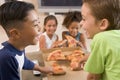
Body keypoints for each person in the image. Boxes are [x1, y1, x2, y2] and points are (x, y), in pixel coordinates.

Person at [0, 1, 53, 80]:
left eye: (38, 22)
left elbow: (23, 60)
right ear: (15, 34)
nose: (40, 28)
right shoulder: (6, 58)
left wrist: (40, 68)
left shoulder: (19, 46)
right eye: (35, 25)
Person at [79, 0, 120, 80]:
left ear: (103, 24)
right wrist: (90, 56)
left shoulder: (100, 39)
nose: (80, 23)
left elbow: (93, 77)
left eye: (84, 19)